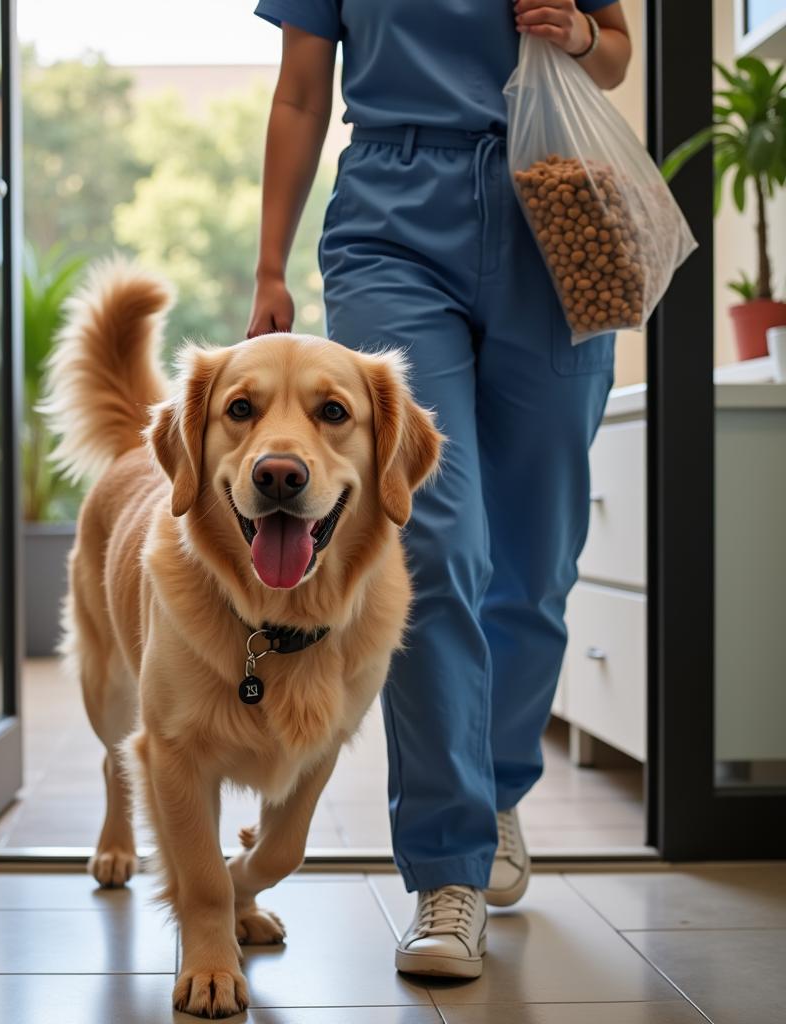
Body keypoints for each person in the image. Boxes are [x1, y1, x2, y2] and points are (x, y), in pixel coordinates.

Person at [248, 0, 632, 979]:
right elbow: (299, 90)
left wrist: (579, 37)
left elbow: (616, 53)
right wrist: (268, 264)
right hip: (389, 213)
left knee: (536, 550)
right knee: (429, 539)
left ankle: (495, 789)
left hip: (556, 193)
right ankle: (446, 868)